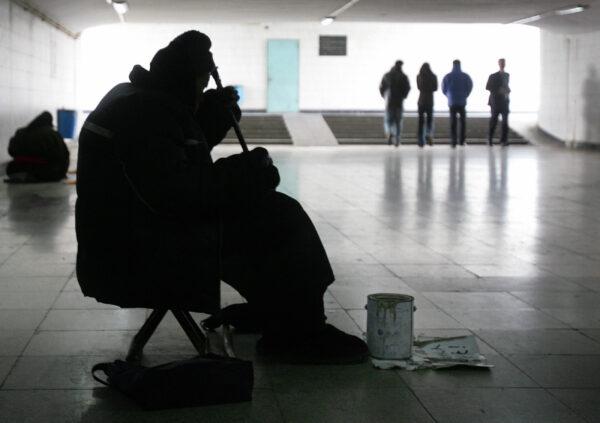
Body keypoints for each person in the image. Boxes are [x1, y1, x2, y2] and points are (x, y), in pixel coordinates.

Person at [75, 30, 367, 364]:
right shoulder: (146, 111)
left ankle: (276, 310)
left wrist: (206, 122)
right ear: (186, 81)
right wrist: (246, 173)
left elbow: (167, 159)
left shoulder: (137, 98)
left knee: (263, 214)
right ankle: (300, 332)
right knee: (280, 218)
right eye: (201, 86)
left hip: (130, 236)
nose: (202, 93)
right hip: (136, 252)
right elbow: (175, 195)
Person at [5, 111, 70, 182]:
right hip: (47, 171)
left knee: (11, 167)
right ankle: (34, 177)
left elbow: (11, 151)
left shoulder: (21, 132)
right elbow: (64, 155)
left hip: (19, 168)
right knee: (53, 169)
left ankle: (26, 175)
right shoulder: (53, 135)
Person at [442, 60, 473, 147]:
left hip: (452, 102)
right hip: (462, 101)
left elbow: (443, 89)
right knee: (463, 122)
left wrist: (449, 96)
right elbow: (470, 86)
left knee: (453, 122)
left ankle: (453, 141)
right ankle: (462, 141)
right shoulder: (465, 76)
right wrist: (465, 95)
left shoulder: (448, 76)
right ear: (460, 65)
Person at [379, 60, 410, 147]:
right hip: (399, 102)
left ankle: (389, 133)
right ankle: (397, 139)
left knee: (388, 121)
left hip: (389, 102)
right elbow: (407, 88)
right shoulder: (403, 76)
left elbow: (381, 87)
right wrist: (404, 96)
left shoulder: (387, 75)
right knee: (398, 122)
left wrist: (384, 96)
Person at [486, 58, 511, 146]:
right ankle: (490, 139)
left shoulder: (507, 75)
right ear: (498, 64)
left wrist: (507, 90)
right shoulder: (493, 76)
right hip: (495, 102)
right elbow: (488, 87)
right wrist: (498, 90)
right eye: (501, 63)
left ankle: (503, 140)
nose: (502, 64)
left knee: (505, 122)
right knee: (494, 121)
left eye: (504, 63)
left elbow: (506, 85)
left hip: (505, 101)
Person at [416, 63, 438, 147]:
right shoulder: (433, 76)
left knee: (421, 122)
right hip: (430, 101)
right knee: (429, 121)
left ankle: (421, 141)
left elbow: (418, 87)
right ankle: (429, 135)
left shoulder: (419, 76)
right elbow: (436, 88)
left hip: (421, 101)